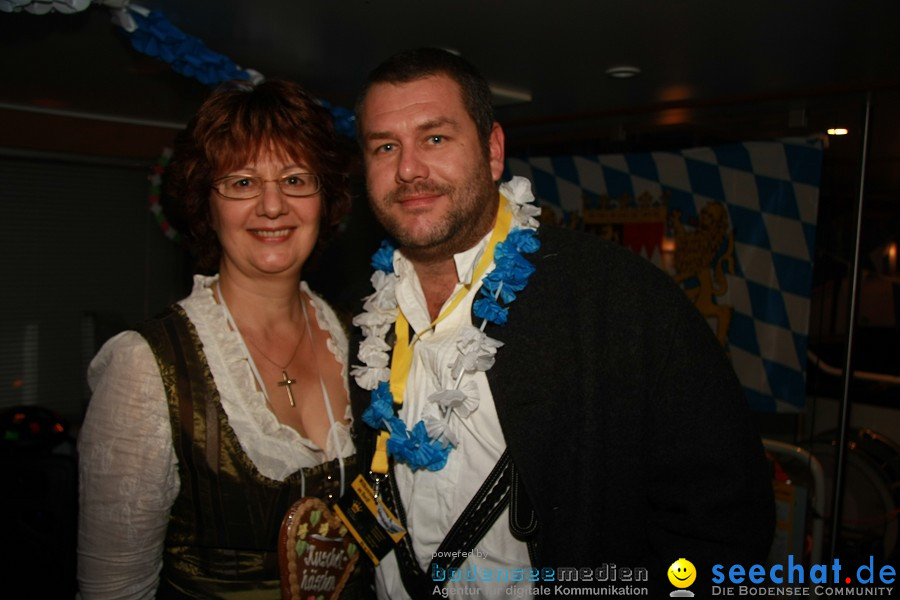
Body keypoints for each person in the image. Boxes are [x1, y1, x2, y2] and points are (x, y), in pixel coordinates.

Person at [348, 48, 775, 597]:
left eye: (435, 138)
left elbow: (725, 521)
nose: (408, 168)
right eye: (386, 146)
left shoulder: (618, 299)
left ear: (493, 150)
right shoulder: (359, 318)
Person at [77, 80, 363, 598]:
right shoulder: (146, 365)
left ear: (325, 197)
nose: (272, 206)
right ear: (205, 203)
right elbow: (113, 588)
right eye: (242, 182)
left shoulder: (362, 339)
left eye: (296, 178)